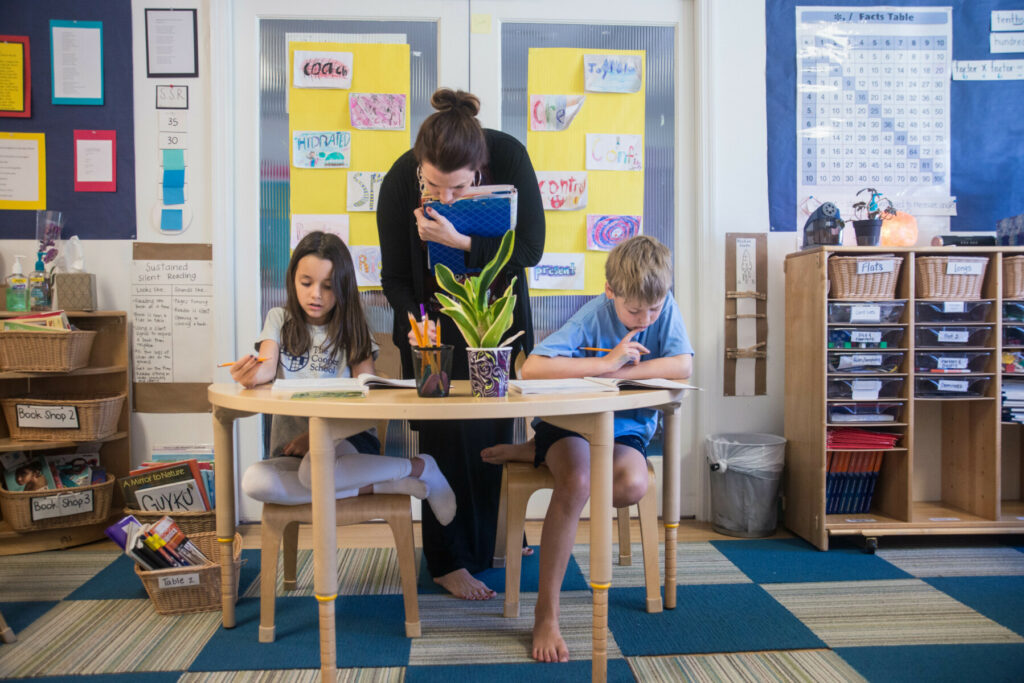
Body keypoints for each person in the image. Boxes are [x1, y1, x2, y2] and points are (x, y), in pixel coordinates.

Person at [482, 235, 694, 662]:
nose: (645, 318)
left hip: (624, 429)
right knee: (577, 482)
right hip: (569, 427)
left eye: (654, 309)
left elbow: (682, 365)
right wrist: (604, 364)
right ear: (610, 291)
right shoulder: (592, 315)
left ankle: (536, 454)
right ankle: (546, 611)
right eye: (634, 311)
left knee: (632, 484)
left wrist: (619, 377)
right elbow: (533, 367)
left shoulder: (661, 307)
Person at [377, 88, 545, 599]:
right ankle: (448, 560)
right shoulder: (398, 179)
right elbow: (395, 277)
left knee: (494, 434)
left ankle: (496, 536)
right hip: (432, 328)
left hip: (493, 321)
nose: (443, 197)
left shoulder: (509, 154)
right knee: (445, 443)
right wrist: (415, 322)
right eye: (433, 186)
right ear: (420, 165)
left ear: (479, 166)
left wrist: (462, 242)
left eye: (457, 187)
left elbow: (532, 248)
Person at [231, 231, 454, 522]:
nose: (316, 295)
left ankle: (419, 467)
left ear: (343, 287)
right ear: (292, 281)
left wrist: (316, 435)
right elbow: (265, 368)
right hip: (290, 450)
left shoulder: (352, 325)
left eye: (328, 286)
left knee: (316, 472)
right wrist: (248, 376)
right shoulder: (278, 319)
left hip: (347, 442)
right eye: (306, 283)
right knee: (254, 481)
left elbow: (367, 394)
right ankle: (392, 481)